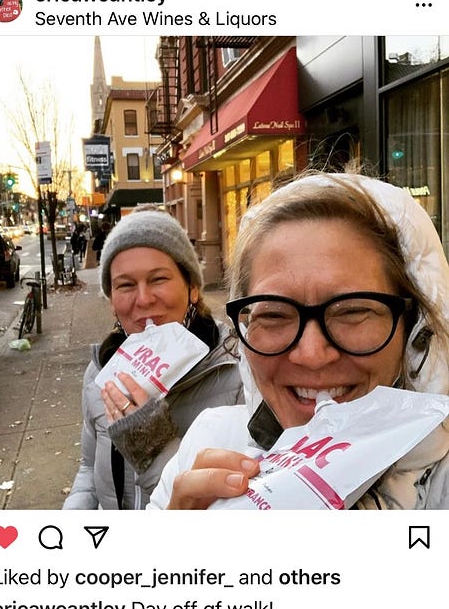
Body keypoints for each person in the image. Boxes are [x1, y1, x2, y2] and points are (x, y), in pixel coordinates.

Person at [148, 171, 449, 510]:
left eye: (352, 311)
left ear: (416, 332)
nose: (311, 355)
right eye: (273, 315)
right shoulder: (205, 448)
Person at [63, 209, 244, 509]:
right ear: (111, 301)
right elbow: (87, 471)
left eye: (158, 279)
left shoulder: (237, 374)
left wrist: (152, 448)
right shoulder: (101, 373)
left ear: (193, 288)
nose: (144, 299)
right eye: (125, 285)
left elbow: (231, 509)